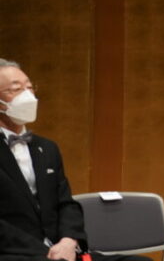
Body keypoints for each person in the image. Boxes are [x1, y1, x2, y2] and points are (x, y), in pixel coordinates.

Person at [0, 59, 150, 261]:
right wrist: (44, 253)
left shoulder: (47, 148)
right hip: (16, 253)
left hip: (64, 251)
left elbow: (66, 204)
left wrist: (69, 241)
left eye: (29, 87)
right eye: (15, 89)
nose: (27, 96)